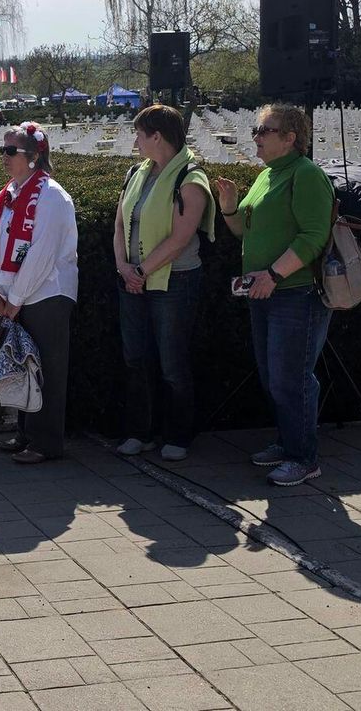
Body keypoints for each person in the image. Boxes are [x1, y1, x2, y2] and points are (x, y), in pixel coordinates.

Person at [214, 104, 335, 487]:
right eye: (256, 129)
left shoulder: (306, 174)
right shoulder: (268, 175)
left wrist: (273, 274)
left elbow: (314, 236)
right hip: (265, 292)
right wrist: (230, 207)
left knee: (292, 378)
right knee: (273, 377)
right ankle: (287, 444)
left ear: (290, 138)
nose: (256, 137)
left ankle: (304, 458)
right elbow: (243, 231)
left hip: (295, 294)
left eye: (265, 130)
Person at [112, 106, 215, 462]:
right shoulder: (136, 173)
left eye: (139, 134)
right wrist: (123, 267)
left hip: (175, 280)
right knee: (136, 358)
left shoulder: (190, 177)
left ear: (157, 136)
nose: (135, 141)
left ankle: (178, 434)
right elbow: (120, 224)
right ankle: (140, 432)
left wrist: (140, 271)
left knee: (172, 362)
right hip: (133, 278)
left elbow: (181, 238)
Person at [0, 122, 78, 465]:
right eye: (3, 149)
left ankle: (47, 442)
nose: (4, 156)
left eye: (11, 151)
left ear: (34, 157)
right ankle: (26, 433)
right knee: (23, 366)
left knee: (46, 369)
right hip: (13, 297)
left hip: (46, 295)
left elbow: (41, 255)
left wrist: (15, 299)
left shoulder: (52, 196)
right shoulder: (6, 196)